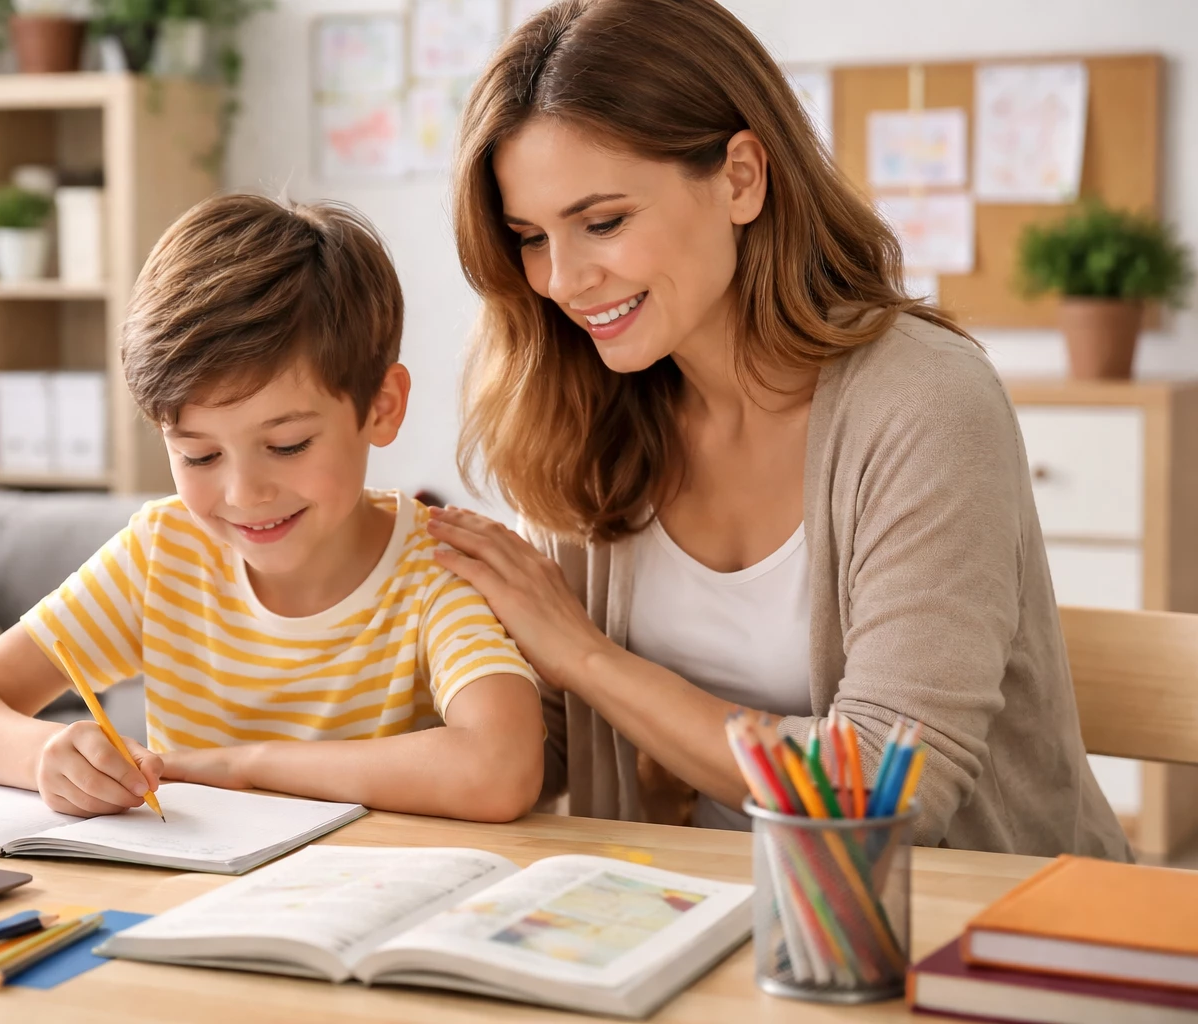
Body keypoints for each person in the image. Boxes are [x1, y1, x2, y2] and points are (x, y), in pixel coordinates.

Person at [425, 0, 1130, 858]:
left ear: (741, 178)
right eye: (530, 237)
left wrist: (586, 658)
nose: (563, 280)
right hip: (707, 919)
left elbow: (889, 792)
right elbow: (549, 741)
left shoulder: (926, 406)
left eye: (603, 222)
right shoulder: (586, 412)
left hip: (970, 934)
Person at [0, 194, 545, 823]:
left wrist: (247, 768)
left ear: (381, 407)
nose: (245, 494)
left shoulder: (435, 569)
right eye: (199, 456)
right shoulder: (164, 553)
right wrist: (44, 755)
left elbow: (501, 770)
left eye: (287, 445)